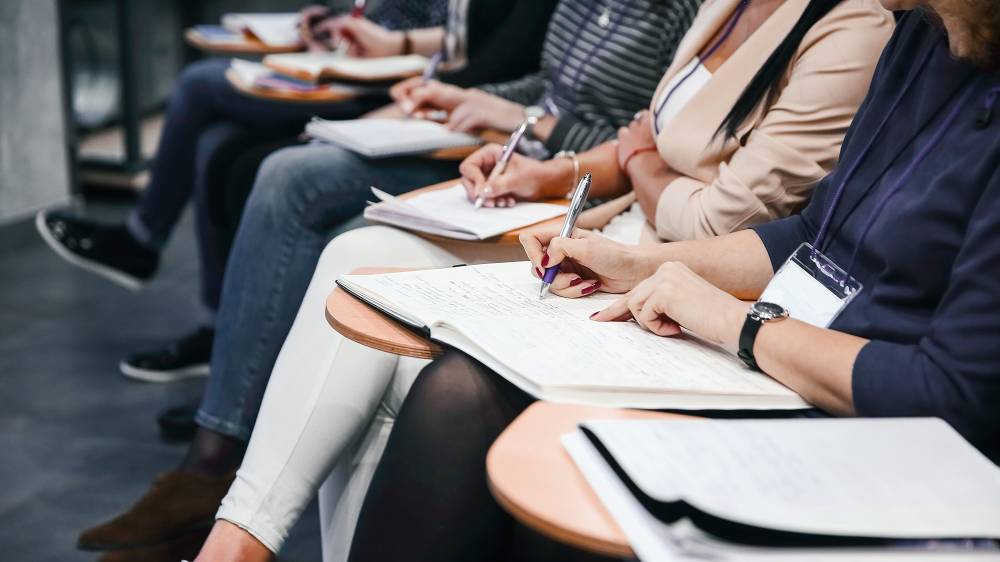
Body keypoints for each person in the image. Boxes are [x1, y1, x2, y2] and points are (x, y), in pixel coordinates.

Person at [188, 1, 893, 561]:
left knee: (402, 368)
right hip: (614, 231)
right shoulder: (726, 6)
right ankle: (238, 537)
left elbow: (719, 214)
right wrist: (552, 172)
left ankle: (231, 517)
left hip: (687, 272)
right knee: (358, 257)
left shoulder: (850, 26)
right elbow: (638, 132)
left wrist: (636, 161)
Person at [345, 2, 1000, 561]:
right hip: (791, 360)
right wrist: (633, 265)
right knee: (465, 387)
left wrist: (740, 325)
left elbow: (951, 392)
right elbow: (811, 238)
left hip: (888, 426)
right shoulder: (918, 31)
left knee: (538, 462)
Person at [36, 0, 541, 384]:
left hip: (434, 106)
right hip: (421, 89)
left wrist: (409, 65)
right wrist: (352, 29)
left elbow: (506, 67)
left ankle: (236, 376)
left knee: (245, 145)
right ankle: (227, 351)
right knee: (218, 147)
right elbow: (460, 45)